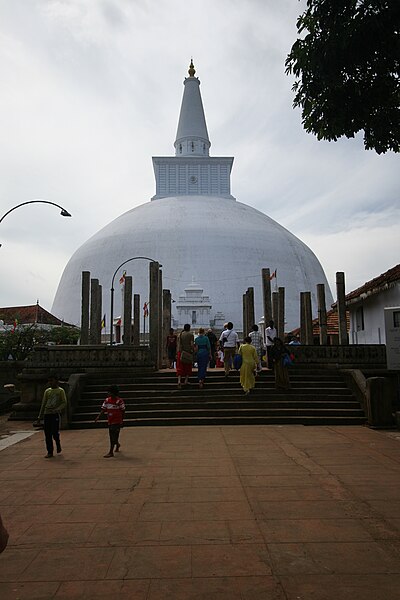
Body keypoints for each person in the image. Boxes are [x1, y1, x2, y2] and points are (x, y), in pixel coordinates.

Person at [37, 374, 67, 458]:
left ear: (56, 381)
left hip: (55, 414)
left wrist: (58, 409)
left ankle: (57, 443)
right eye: (49, 381)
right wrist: (40, 416)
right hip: (47, 413)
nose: (50, 383)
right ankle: (50, 451)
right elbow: (43, 404)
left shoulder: (60, 391)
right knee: (47, 434)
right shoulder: (47, 391)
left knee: (55, 432)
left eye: (52, 380)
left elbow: (64, 402)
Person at [95, 385, 125, 458]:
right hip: (110, 420)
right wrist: (98, 416)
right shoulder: (107, 400)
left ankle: (112, 449)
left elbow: (123, 410)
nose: (108, 394)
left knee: (114, 434)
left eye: (110, 392)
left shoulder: (119, 401)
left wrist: (121, 420)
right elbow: (103, 409)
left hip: (117, 420)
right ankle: (115, 445)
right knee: (112, 435)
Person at [176, 324, 195, 389]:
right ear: (189, 328)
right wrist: (193, 350)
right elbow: (192, 344)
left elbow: (178, 344)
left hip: (180, 352)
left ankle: (179, 381)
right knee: (188, 367)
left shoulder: (180, 335)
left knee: (180, 367)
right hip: (188, 353)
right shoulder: (191, 335)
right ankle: (186, 380)